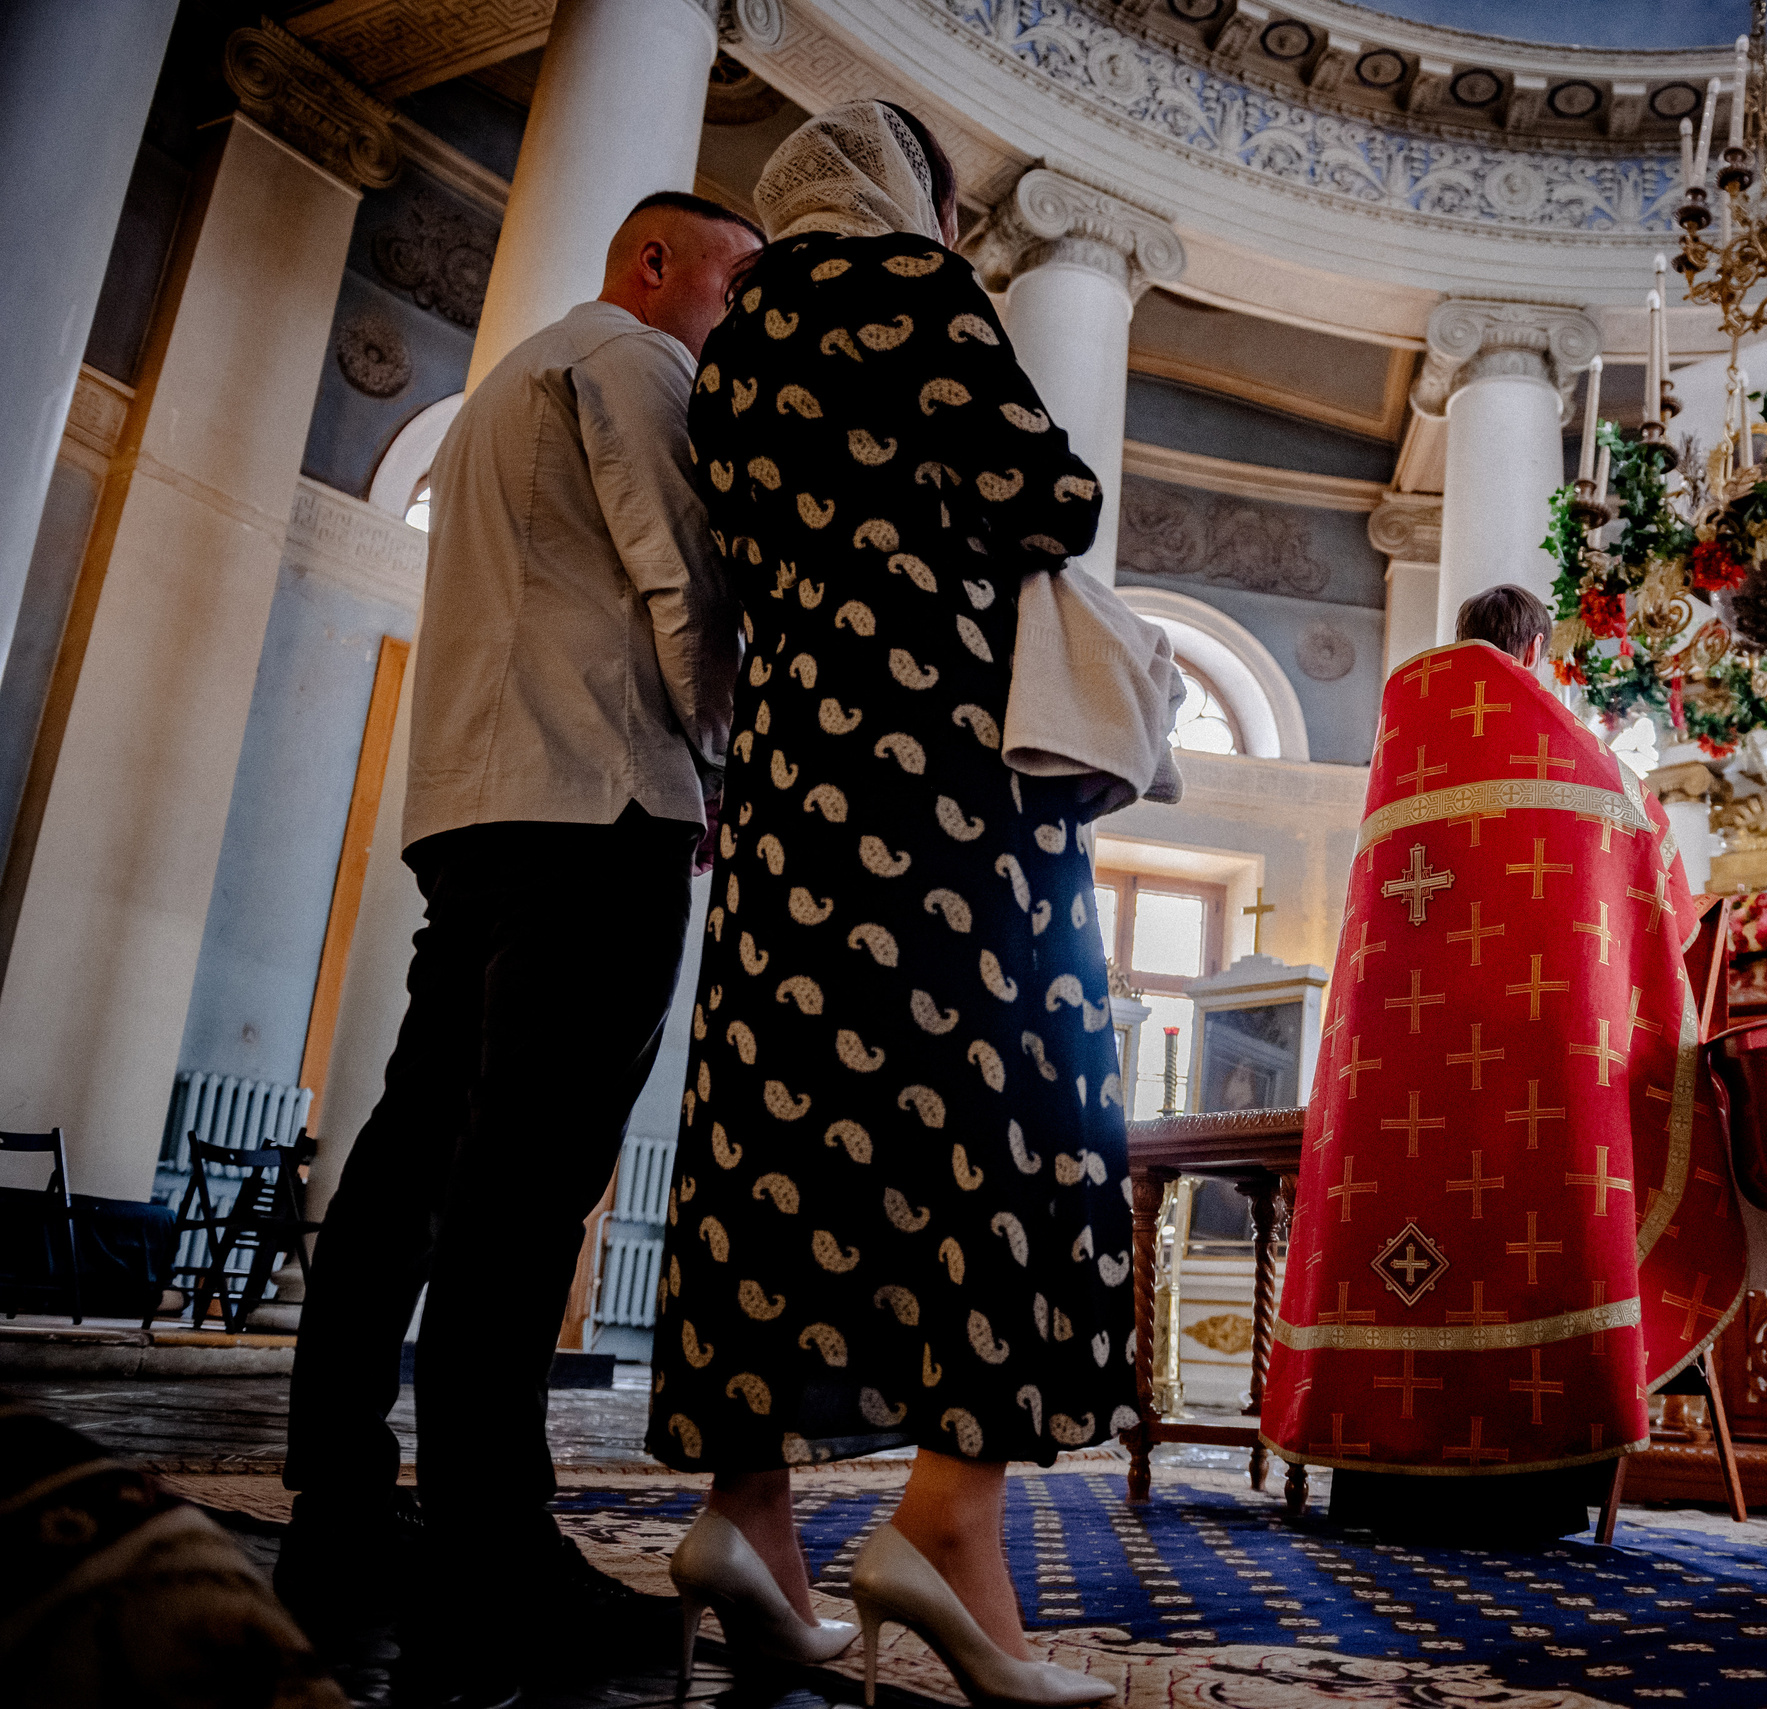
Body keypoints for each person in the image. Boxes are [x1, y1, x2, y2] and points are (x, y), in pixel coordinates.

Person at [646, 102, 1126, 1707]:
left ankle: (748, 1521)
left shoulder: (740, 344)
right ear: (903, 196)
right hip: (941, 791)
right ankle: (948, 1527)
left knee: (773, 1132)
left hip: (789, 792)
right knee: (992, 1107)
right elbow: (1052, 496)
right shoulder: (916, 295)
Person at [276, 191, 763, 1697]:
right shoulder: (638, 363)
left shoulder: (503, 383)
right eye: (737, 284)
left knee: (413, 1163)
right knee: (526, 1186)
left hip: (478, 808)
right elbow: (683, 581)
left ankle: (339, 1508)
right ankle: (495, 1552)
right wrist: (732, 767)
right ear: (656, 260)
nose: (742, 320)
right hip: (600, 803)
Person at [1260, 584, 1751, 1540]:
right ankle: (1526, 1492)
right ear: (1534, 654)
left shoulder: (1398, 765)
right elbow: (1666, 913)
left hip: (1396, 1079)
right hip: (1534, 1073)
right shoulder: (1583, 763)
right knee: (1531, 1225)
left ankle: (1380, 1474)